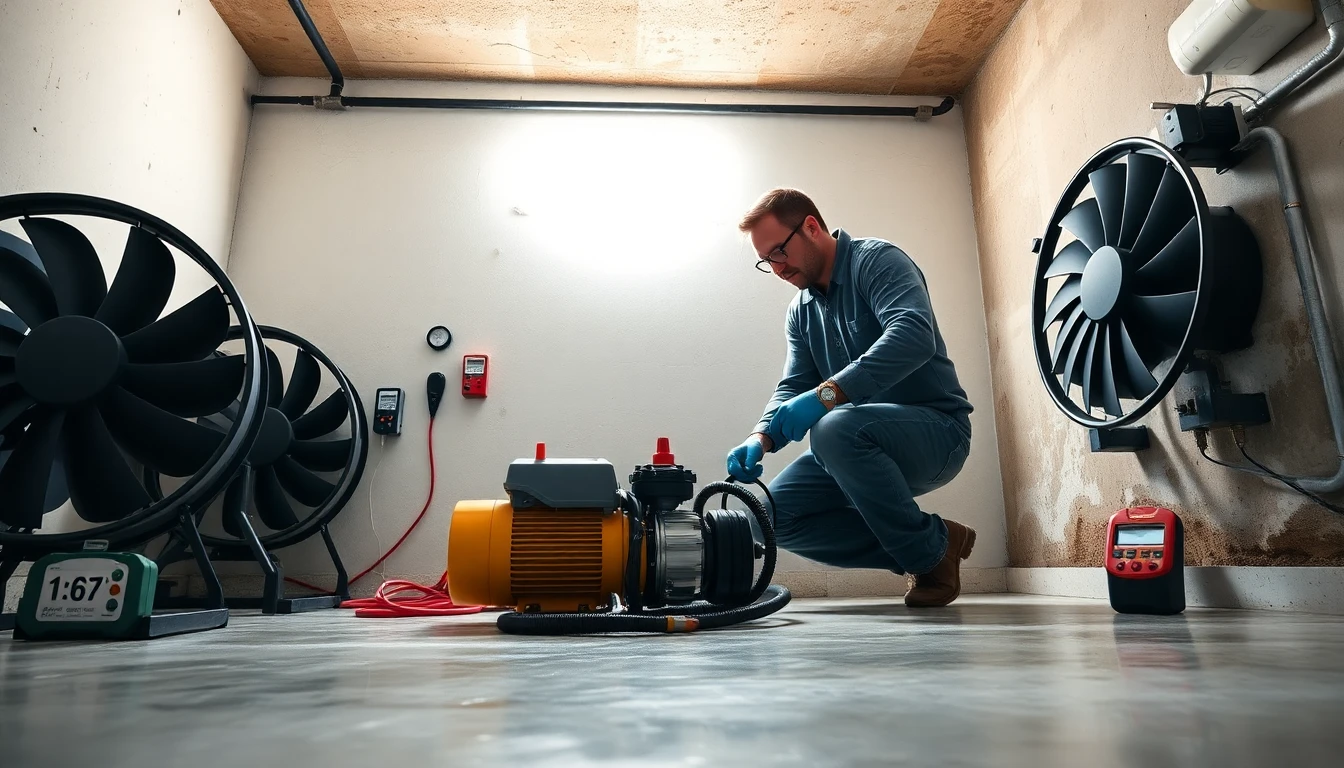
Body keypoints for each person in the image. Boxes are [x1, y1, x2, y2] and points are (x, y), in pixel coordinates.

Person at [726, 188, 976, 607]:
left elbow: (913, 335)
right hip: (853, 442)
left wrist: (827, 395)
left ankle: (927, 556)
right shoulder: (800, 310)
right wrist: (761, 437)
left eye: (779, 252)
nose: (776, 268)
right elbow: (793, 385)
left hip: (938, 434)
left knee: (832, 425)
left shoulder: (877, 261)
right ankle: (934, 546)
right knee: (764, 517)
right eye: (766, 260)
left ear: (810, 226)